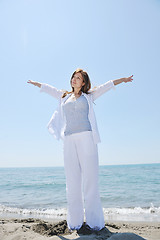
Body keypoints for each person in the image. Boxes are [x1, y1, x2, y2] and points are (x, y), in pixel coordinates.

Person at [27, 69, 133, 232]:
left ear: (83, 82)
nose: (74, 80)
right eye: (73, 77)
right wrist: (37, 84)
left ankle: (95, 223)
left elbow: (106, 86)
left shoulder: (89, 96)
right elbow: (50, 89)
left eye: (78, 78)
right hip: (69, 140)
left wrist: (123, 80)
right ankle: (75, 222)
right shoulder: (64, 96)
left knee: (90, 180)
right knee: (72, 182)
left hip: (87, 138)